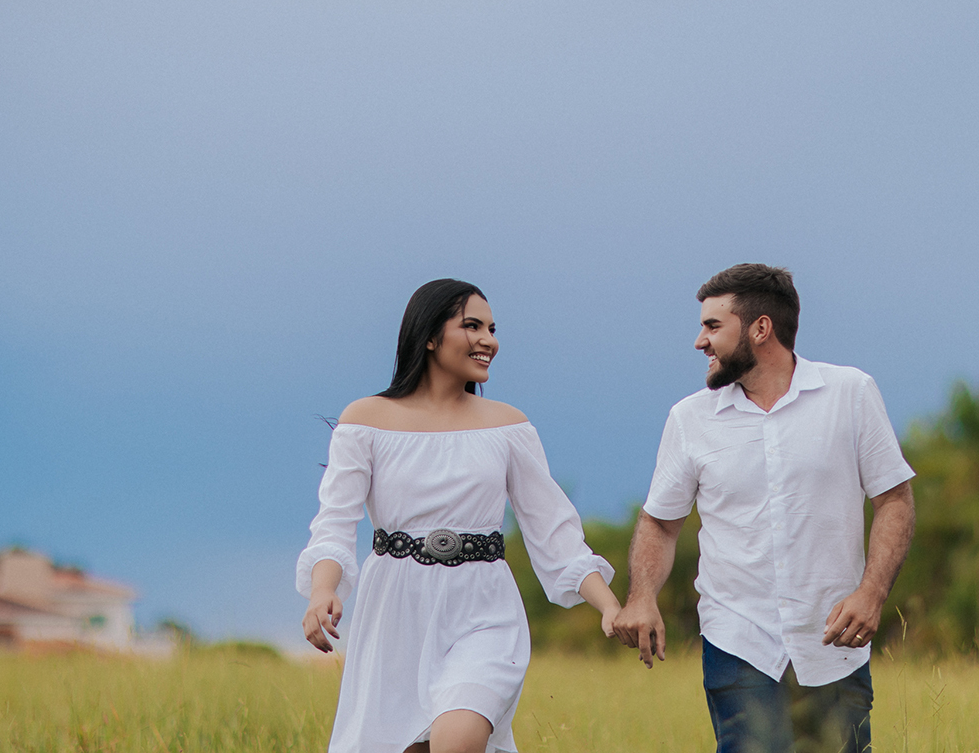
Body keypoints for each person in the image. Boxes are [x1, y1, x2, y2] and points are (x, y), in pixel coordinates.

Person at [297, 278, 621, 753]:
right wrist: (322, 590)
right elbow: (335, 523)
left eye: (491, 328)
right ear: (429, 335)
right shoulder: (365, 420)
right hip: (396, 612)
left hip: (485, 607)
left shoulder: (508, 426)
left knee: (458, 738)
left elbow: (554, 531)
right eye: (472, 325)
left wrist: (608, 604)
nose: (488, 340)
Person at [612, 263, 916, 753]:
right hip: (737, 642)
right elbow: (659, 523)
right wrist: (642, 595)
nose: (699, 341)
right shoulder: (689, 419)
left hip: (834, 643)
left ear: (760, 328)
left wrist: (872, 594)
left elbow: (894, 500)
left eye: (713, 326)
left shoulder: (851, 393)